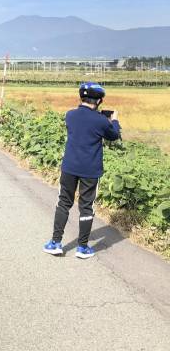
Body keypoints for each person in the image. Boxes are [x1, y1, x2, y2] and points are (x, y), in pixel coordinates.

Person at [43, 82, 121, 259]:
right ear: (100, 101)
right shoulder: (101, 121)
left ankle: (55, 243)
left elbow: (83, 124)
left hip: (69, 167)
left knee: (64, 202)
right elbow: (113, 135)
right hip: (90, 170)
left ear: (81, 97)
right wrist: (114, 120)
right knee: (86, 207)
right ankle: (83, 247)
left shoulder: (70, 115)